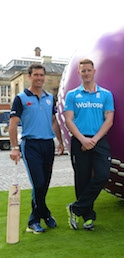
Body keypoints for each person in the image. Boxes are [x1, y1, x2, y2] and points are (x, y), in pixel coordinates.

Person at [9, 63, 64, 234]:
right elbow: (13, 124)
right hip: (30, 145)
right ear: (30, 76)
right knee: (38, 183)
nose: (39, 78)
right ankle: (37, 219)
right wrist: (14, 147)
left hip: (48, 145)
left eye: (42, 75)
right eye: (36, 75)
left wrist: (60, 142)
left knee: (44, 184)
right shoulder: (21, 98)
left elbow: (54, 121)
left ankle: (42, 215)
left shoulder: (49, 98)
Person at [64, 59, 114, 231]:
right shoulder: (72, 95)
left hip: (99, 140)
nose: (86, 73)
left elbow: (109, 120)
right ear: (79, 73)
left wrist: (94, 140)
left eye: (88, 70)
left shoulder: (106, 94)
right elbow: (69, 120)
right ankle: (88, 217)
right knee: (82, 180)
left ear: (94, 71)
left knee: (102, 176)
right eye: (83, 71)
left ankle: (75, 208)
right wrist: (83, 140)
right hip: (79, 140)